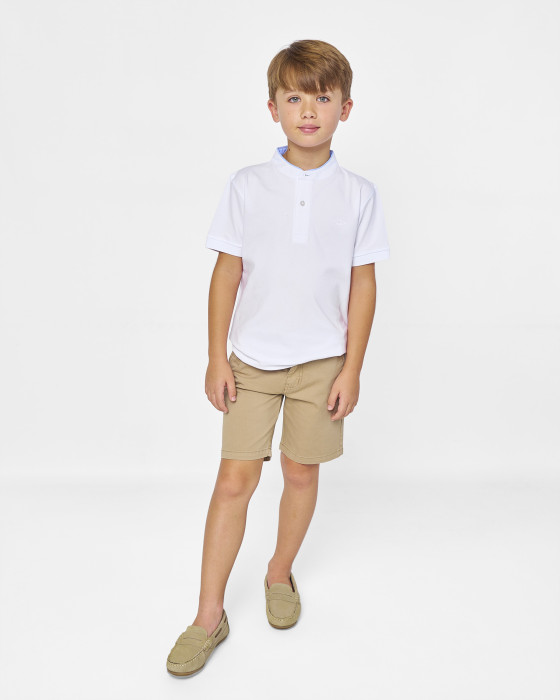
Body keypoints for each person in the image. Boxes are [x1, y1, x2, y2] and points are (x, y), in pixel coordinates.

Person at [166, 38, 390, 677]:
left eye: (322, 97)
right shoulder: (248, 185)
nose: (308, 110)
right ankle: (208, 614)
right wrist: (216, 358)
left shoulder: (359, 194)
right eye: (294, 98)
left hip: (323, 364)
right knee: (233, 481)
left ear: (346, 107)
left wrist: (352, 368)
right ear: (273, 108)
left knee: (300, 474)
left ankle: (279, 572)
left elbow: (363, 284)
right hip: (252, 362)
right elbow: (227, 273)